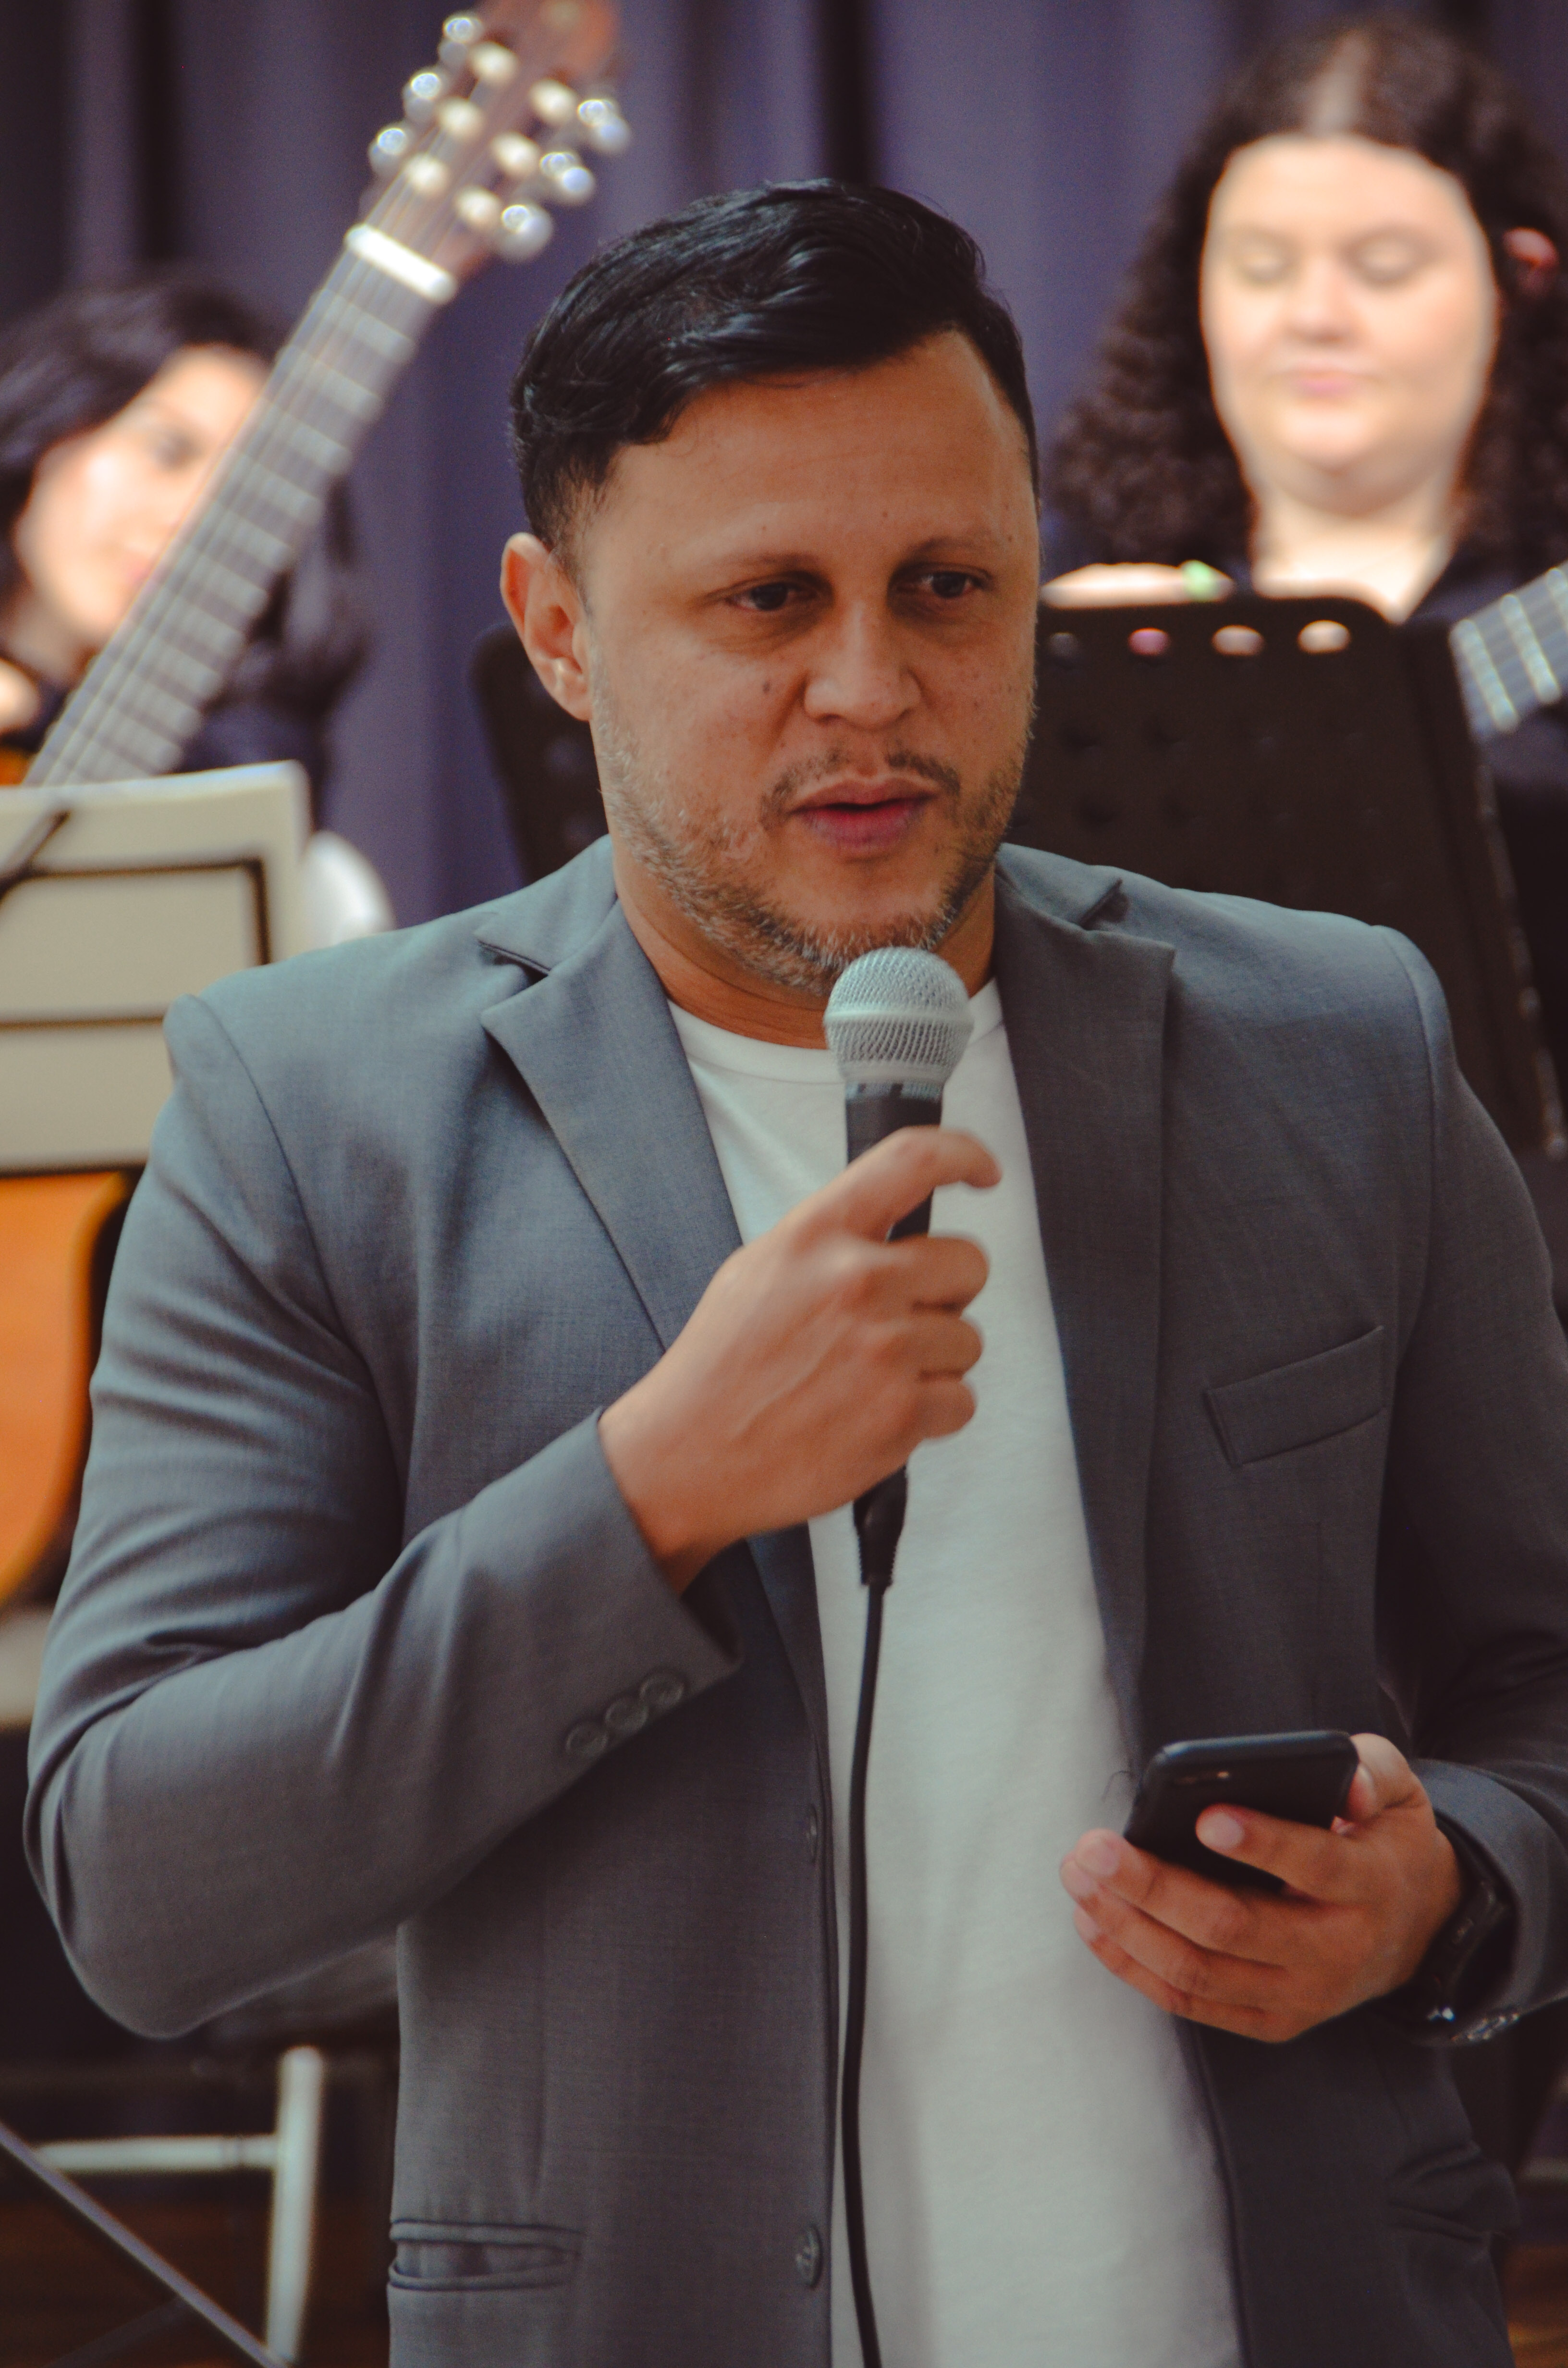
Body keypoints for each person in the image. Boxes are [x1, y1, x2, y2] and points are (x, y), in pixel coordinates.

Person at [24, 181, 1568, 2368]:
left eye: (946, 585)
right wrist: (646, 1491)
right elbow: (145, 1886)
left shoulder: (1339, 1046)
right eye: (767, 599)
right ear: (558, 629)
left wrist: (1451, 1884)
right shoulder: (308, 1109)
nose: (871, 688)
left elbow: (1544, 1685)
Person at [1046, 16, 1568, 1084]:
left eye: (1384, 268)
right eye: (1262, 266)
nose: (1315, 316)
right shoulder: (1075, 577)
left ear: (1517, 277)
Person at [0, 269, 390, 944]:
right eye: (167, 450)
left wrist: (34, 705)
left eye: (243, 497)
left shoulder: (245, 754)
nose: (193, 517)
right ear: (45, 434)